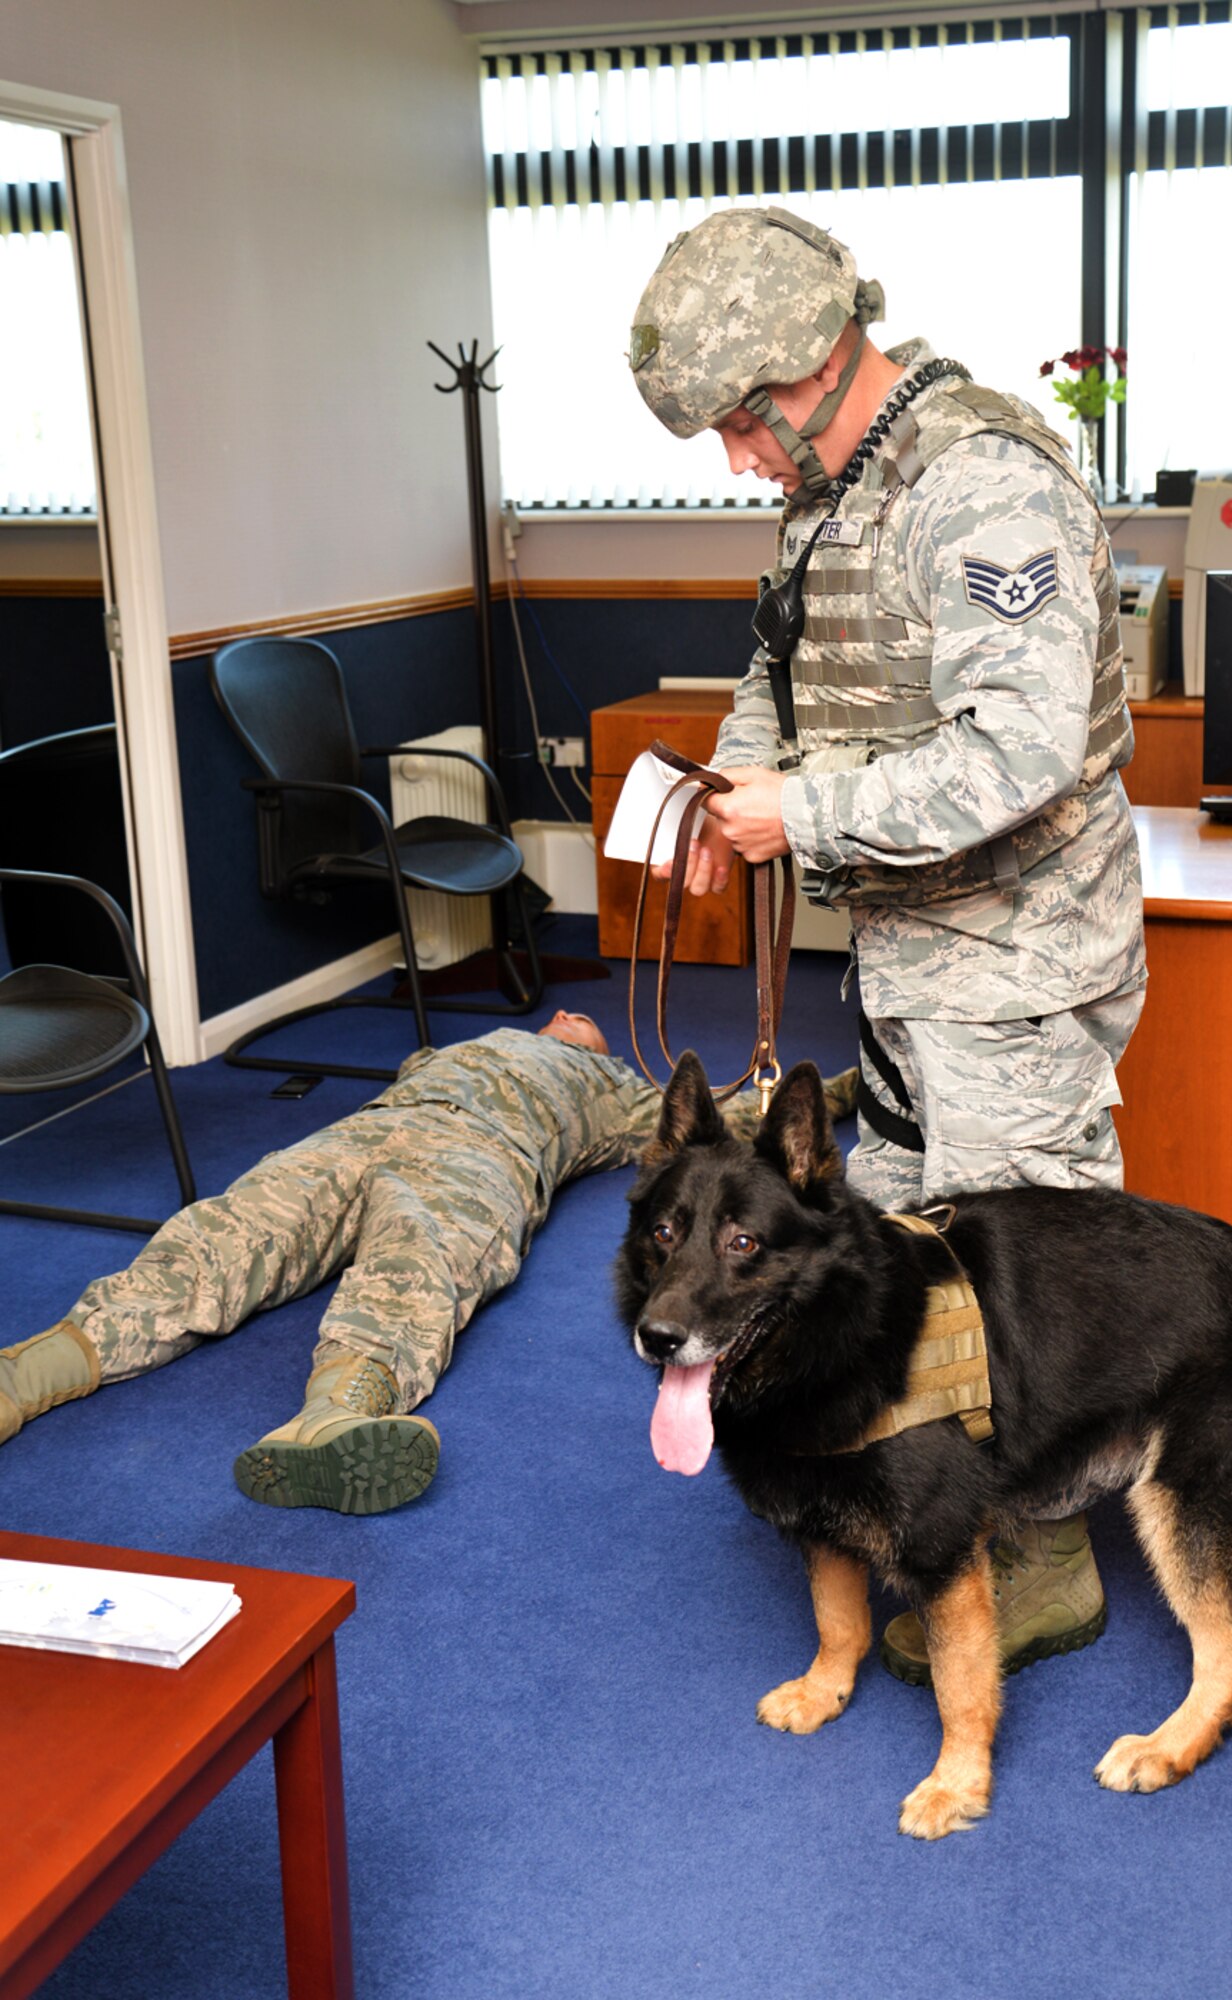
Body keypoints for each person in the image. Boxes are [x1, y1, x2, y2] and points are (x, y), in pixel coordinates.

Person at [630, 205, 1147, 1681]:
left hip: (1018, 957)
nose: (737, 460)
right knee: (902, 1253)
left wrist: (803, 807)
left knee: (1025, 1272)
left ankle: (1041, 1565)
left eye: (741, 424)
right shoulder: (826, 490)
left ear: (811, 364)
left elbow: (1023, 750)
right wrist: (738, 789)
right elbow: (775, 670)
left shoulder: (981, 486)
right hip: (909, 950)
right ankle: (923, 1513)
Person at [0, 1009, 857, 1515]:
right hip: (368, 1131)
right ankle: (24, 1376)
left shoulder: (614, 1093)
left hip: (480, 1157)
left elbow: (743, 1126)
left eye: (583, 1025)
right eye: (565, 1019)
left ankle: (333, 1419)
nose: (572, 1019)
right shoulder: (450, 1049)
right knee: (220, 1234)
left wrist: (851, 1090)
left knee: (418, 1259)